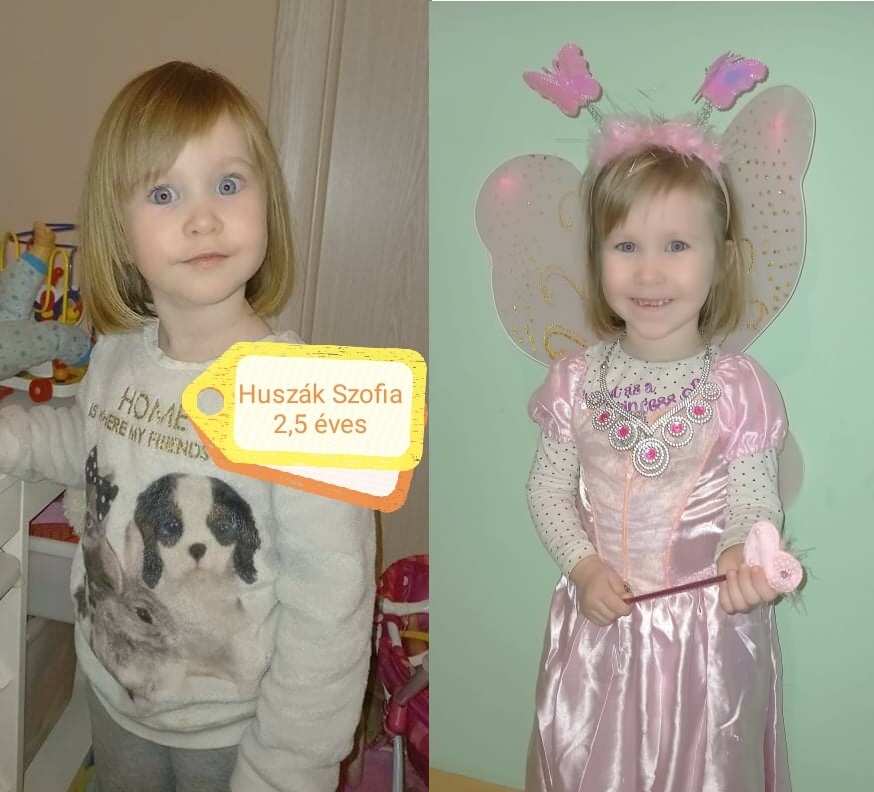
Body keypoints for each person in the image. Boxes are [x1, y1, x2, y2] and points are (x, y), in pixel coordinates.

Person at [0, 61, 375, 792]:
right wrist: (15, 438)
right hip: (116, 696)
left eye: (228, 184)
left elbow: (332, 604)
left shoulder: (304, 396)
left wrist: (287, 766)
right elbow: (90, 443)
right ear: (119, 230)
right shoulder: (119, 355)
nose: (203, 218)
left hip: (238, 735)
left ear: (268, 203)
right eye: (164, 193)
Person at [524, 128, 792, 790]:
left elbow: (754, 500)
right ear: (597, 258)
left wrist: (741, 553)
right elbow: (547, 491)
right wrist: (584, 568)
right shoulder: (575, 382)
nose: (649, 272)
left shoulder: (739, 387)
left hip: (705, 641)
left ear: (720, 261)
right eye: (626, 246)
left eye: (676, 245)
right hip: (599, 627)